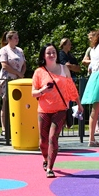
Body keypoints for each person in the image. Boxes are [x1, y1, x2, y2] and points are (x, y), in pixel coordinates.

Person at [32, 43, 82, 177]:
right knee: (43, 141)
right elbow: (33, 93)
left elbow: (71, 88)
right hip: (44, 109)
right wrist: (43, 90)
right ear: (44, 55)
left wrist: (78, 103)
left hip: (60, 109)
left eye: (53, 52)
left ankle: (50, 167)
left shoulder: (64, 69)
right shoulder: (39, 72)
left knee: (53, 137)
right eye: (48, 53)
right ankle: (45, 158)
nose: (52, 55)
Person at [0, 31, 26, 138]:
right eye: (15, 38)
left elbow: (24, 64)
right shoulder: (4, 50)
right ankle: (4, 128)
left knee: (18, 103)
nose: (17, 39)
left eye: (18, 37)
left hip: (18, 80)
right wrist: (17, 73)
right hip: (7, 79)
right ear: (9, 39)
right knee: (6, 103)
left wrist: (21, 74)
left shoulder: (20, 50)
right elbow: (4, 65)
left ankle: (16, 126)